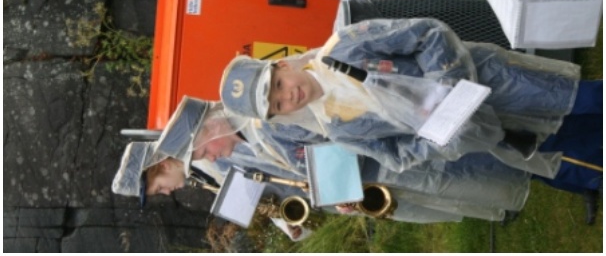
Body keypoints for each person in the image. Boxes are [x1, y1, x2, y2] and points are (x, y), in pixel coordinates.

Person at [220, 17, 602, 184]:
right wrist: (440, 135)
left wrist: (449, 90)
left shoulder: (345, 45)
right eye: (278, 105)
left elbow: (427, 34)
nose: (288, 95)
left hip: (493, 82)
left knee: (578, 101)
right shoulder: (336, 128)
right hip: (480, 129)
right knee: (559, 144)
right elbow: (395, 154)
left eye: (278, 84)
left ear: (283, 64)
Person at [113, 97, 538, 224]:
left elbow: (304, 141)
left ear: (159, 165)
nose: (167, 192)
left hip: (355, 162)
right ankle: (502, 201)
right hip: (338, 181)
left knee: (440, 174)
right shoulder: (207, 164)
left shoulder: (213, 143)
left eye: (158, 187)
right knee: (430, 193)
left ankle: (520, 178)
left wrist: (332, 187)